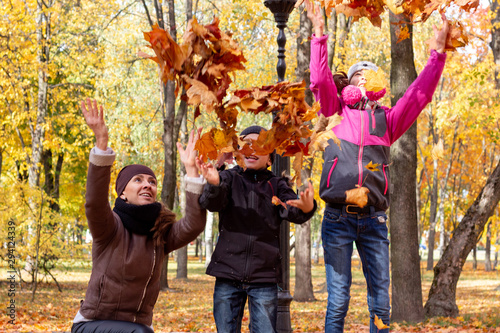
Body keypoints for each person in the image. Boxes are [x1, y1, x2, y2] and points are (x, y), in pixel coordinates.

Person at [304, 1, 450, 332]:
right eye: (359, 73)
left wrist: (437, 55)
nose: (364, 77)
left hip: (374, 220)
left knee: (381, 305)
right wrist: (318, 33)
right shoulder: (334, 109)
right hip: (337, 218)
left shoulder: (387, 119)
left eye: (370, 73)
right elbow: (319, 79)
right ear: (350, 84)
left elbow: (419, 95)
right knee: (338, 301)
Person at [71, 99, 207, 333]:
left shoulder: (160, 234)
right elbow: (94, 203)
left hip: (136, 327)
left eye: (152, 182)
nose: (147, 185)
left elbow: (193, 225)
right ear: (122, 193)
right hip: (92, 324)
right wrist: (101, 144)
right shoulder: (109, 228)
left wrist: (192, 171)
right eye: (138, 180)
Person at [196, 125, 317, 333]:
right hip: (227, 272)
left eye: (260, 145)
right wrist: (214, 184)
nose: (252, 149)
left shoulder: (277, 184)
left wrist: (307, 207)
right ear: (238, 152)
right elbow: (211, 203)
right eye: (247, 144)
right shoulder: (228, 178)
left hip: (263, 277)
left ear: (270, 158)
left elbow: (292, 210)